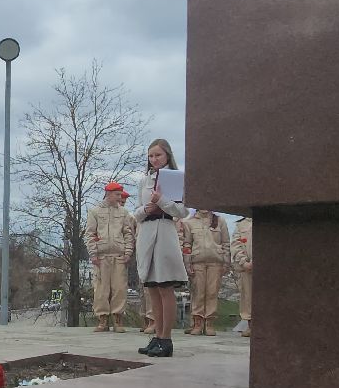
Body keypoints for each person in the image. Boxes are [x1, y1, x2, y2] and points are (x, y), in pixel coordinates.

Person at [133, 139, 188, 357]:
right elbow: (136, 212)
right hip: (146, 231)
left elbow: (182, 212)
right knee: (152, 288)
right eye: (151, 156)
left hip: (164, 231)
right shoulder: (144, 180)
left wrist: (162, 201)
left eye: (158, 155)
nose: (154, 159)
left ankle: (166, 338)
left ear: (167, 155)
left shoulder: (176, 178)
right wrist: (146, 209)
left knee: (165, 287)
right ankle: (156, 335)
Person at [87, 182, 137, 333]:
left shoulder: (124, 213)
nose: (120, 197)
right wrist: (93, 253)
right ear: (108, 194)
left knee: (119, 288)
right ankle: (102, 318)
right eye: (117, 194)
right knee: (101, 289)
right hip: (101, 256)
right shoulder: (95, 211)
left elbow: (128, 234)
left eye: (120, 195)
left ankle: (117, 317)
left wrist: (128, 252)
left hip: (118, 255)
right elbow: (90, 233)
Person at [180, 208, 231, 336]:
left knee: (212, 292)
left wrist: (226, 262)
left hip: (215, 261)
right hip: (197, 261)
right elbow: (187, 245)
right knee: (198, 292)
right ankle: (197, 322)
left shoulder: (219, 221)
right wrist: (187, 263)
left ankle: (209, 323)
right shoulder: (189, 222)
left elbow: (225, 244)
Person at [231, 219, 253, 337]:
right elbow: (236, 244)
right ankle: (251, 325)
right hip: (247, 267)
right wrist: (244, 262)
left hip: (267, 266)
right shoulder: (241, 224)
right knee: (247, 297)